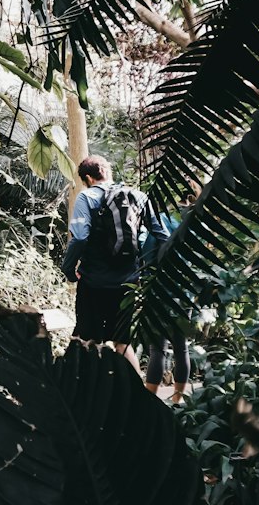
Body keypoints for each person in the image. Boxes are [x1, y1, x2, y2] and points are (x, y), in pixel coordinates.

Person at [61, 156, 166, 370]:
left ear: (88, 178)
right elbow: (162, 235)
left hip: (94, 282)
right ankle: (139, 396)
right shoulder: (138, 196)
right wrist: (149, 272)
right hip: (127, 283)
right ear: (108, 173)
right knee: (122, 342)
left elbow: (80, 237)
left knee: (86, 340)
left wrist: (68, 269)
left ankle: (86, 397)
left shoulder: (87, 197)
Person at [141, 181, 200, 403]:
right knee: (181, 348)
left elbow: (147, 253)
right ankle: (178, 399)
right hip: (184, 292)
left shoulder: (162, 219)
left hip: (159, 290)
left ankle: (149, 401)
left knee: (158, 349)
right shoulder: (195, 221)